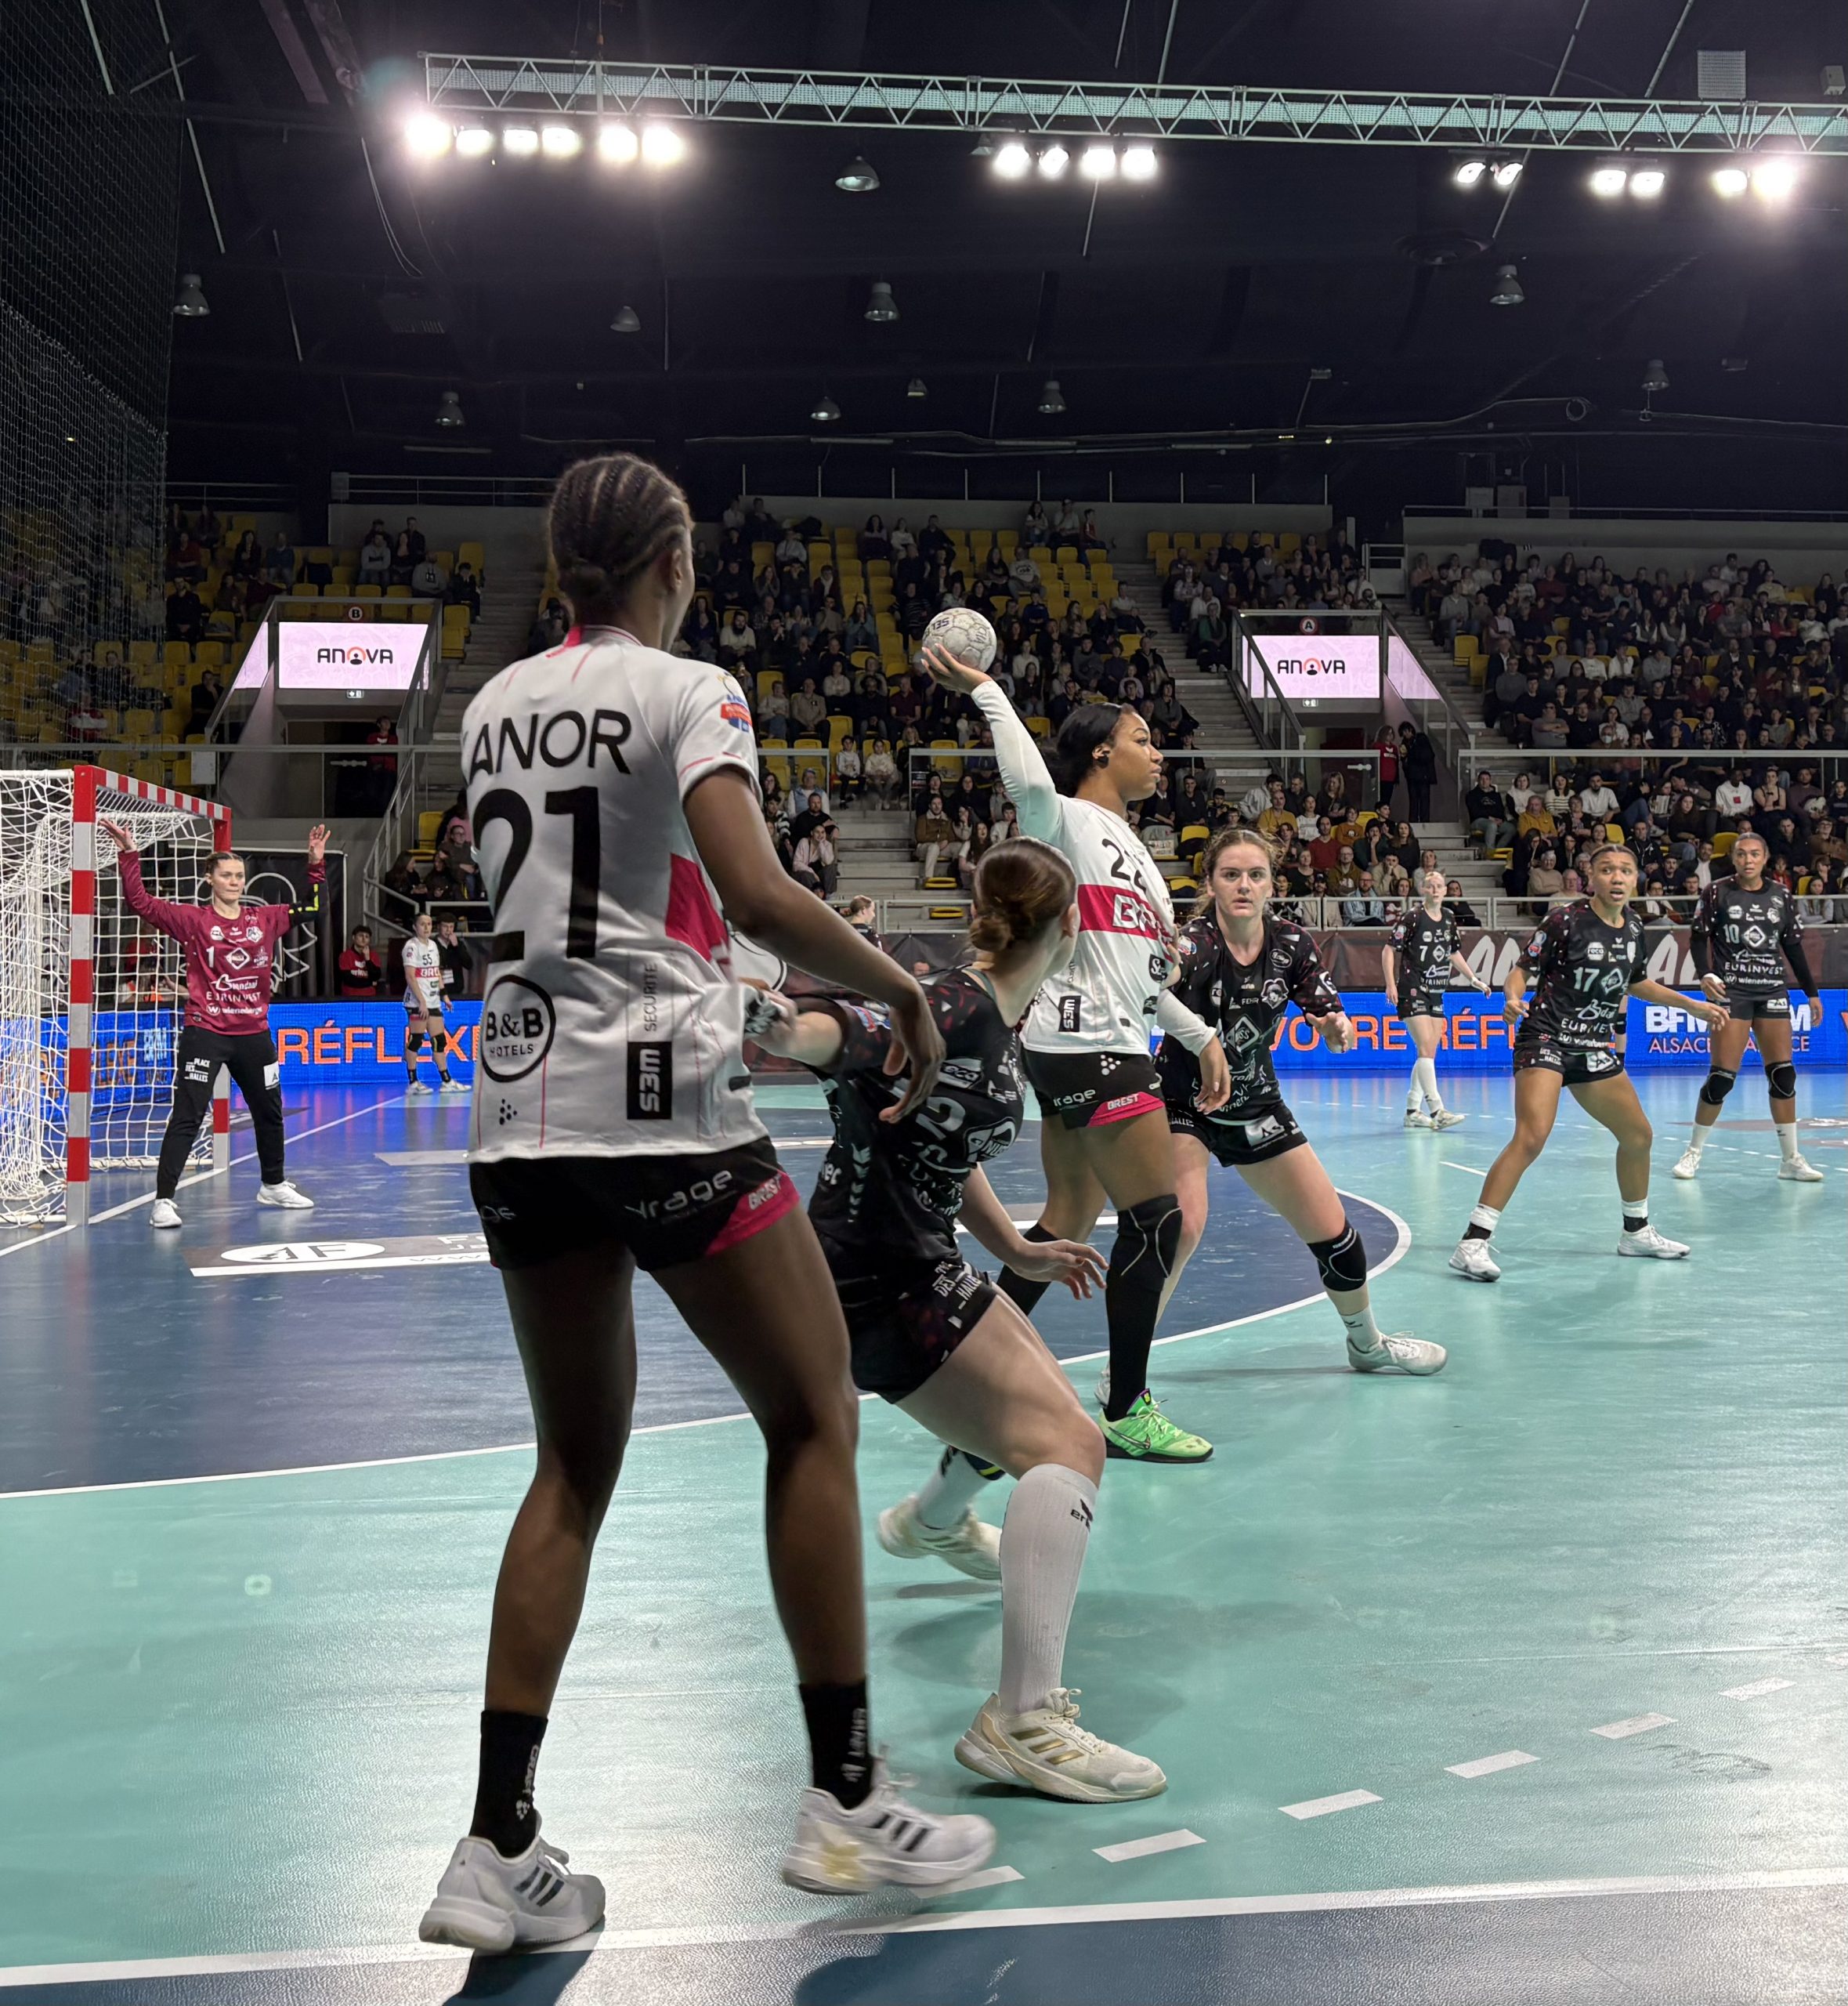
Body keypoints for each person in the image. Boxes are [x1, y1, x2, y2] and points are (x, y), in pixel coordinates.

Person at [418, 453, 988, 1955]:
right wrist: (900, 992)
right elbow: (745, 892)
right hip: (661, 1100)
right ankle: (847, 1796)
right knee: (812, 1417)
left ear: (557, 575)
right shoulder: (691, 689)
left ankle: (496, 1842)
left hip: (516, 1106)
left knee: (570, 1470)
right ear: (670, 562)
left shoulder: (487, 707)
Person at [749, 841, 1166, 1802]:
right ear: (1067, 930)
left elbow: (946, 1135)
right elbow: (841, 1033)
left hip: (916, 1261)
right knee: (1069, 1444)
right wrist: (778, 1021)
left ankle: (933, 1524)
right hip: (870, 1278)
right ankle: (1021, 1719)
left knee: (1053, 1432)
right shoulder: (946, 1005)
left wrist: (1016, 1248)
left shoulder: (991, 1018)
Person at [917, 642, 1231, 1465]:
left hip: (1104, 1038)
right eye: (1142, 738)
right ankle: (1125, 1407)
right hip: (1086, 1043)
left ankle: (972, 1386)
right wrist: (988, 688)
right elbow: (1024, 782)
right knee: (1157, 1220)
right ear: (1101, 751)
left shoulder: (1145, 866)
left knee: (1063, 1224)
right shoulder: (1062, 820)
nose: (1157, 752)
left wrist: (1198, 1036)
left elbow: (1140, 979)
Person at [1148, 827, 1445, 1379]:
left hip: (1256, 1105)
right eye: (1230, 875)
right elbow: (1152, 989)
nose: (1242, 885)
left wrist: (1335, 1028)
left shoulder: (1290, 943)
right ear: (1210, 883)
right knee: (1181, 1227)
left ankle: (1367, 1345)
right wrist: (1171, 986)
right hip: (1180, 1104)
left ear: (1271, 885)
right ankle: (1127, 1369)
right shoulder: (1194, 942)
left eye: (1254, 875)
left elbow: (1329, 1020)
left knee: (1338, 1241)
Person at [1448, 844, 1728, 1283]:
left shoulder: (1636, 927)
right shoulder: (1565, 920)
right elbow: (1522, 969)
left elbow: (1637, 984)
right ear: (1591, 878)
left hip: (1594, 1044)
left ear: (1636, 879)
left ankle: (1635, 1232)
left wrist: (1691, 1006)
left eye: (1625, 871)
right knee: (1532, 1136)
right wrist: (1512, 997)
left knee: (1638, 1135)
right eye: (1607, 870)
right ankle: (1472, 1243)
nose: (1617, 878)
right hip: (1546, 1036)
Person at [97, 817, 324, 1228]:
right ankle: (163, 1201)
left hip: (254, 1034)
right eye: (227, 875)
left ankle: (273, 1184)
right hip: (206, 1032)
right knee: (188, 1113)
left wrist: (315, 864)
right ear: (210, 879)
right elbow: (140, 903)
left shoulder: (265, 919)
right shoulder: (194, 921)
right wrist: (129, 853)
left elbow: (312, 907)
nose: (235, 881)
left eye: (239, 875)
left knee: (269, 1111)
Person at [1673, 830, 1825, 1183]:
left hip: (1772, 989)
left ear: (1765, 858)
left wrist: (1812, 993)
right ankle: (1693, 1153)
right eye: (1741, 854)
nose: (1748, 860)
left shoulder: (1782, 895)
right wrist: (1705, 974)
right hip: (1733, 993)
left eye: (1755, 854)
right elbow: (1698, 937)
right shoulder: (1717, 892)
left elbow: (1794, 948)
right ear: (1734, 859)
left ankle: (1790, 1159)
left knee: (1783, 1074)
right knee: (1722, 1078)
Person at [1383, 869, 1492, 1131]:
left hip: (1436, 990)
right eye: (1430, 886)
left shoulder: (1449, 918)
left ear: (1445, 891)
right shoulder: (1413, 917)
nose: (1435, 890)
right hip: (1413, 987)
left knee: (1429, 1052)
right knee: (1425, 1047)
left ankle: (1412, 1110)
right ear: (1423, 889)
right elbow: (1389, 949)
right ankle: (1437, 1109)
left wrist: (1473, 979)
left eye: (1439, 886)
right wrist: (1390, 984)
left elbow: (1453, 952)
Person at [400, 912, 465, 1095]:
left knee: (439, 1040)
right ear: (415, 927)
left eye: (429, 924)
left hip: (433, 1000)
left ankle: (447, 1081)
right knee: (416, 1040)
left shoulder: (434, 946)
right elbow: (410, 977)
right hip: (417, 1001)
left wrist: (444, 996)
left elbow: (436, 972)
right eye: (423, 924)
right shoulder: (411, 947)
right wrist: (421, 1002)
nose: (427, 927)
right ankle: (413, 1082)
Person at [338, 925, 384, 999]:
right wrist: (370, 983)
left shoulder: (374, 955)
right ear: (354, 938)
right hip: (350, 997)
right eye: (361, 936)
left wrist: (368, 960)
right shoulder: (345, 956)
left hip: (370, 997)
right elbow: (348, 980)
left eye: (367, 937)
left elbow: (376, 976)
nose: (364, 939)